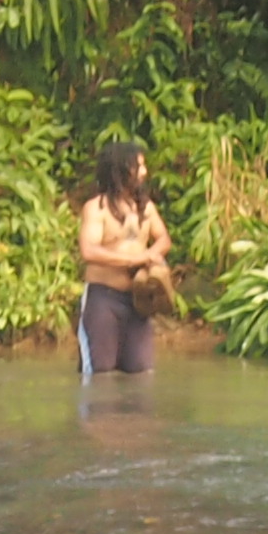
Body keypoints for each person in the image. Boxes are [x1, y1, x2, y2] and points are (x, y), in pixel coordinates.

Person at [76, 138, 172, 378]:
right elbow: (88, 251)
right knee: (100, 376)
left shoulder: (145, 207)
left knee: (142, 374)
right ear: (120, 170)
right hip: (103, 300)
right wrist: (135, 260)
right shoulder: (96, 209)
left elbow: (164, 239)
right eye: (138, 167)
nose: (144, 172)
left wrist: (153, 255)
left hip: (138, 301)